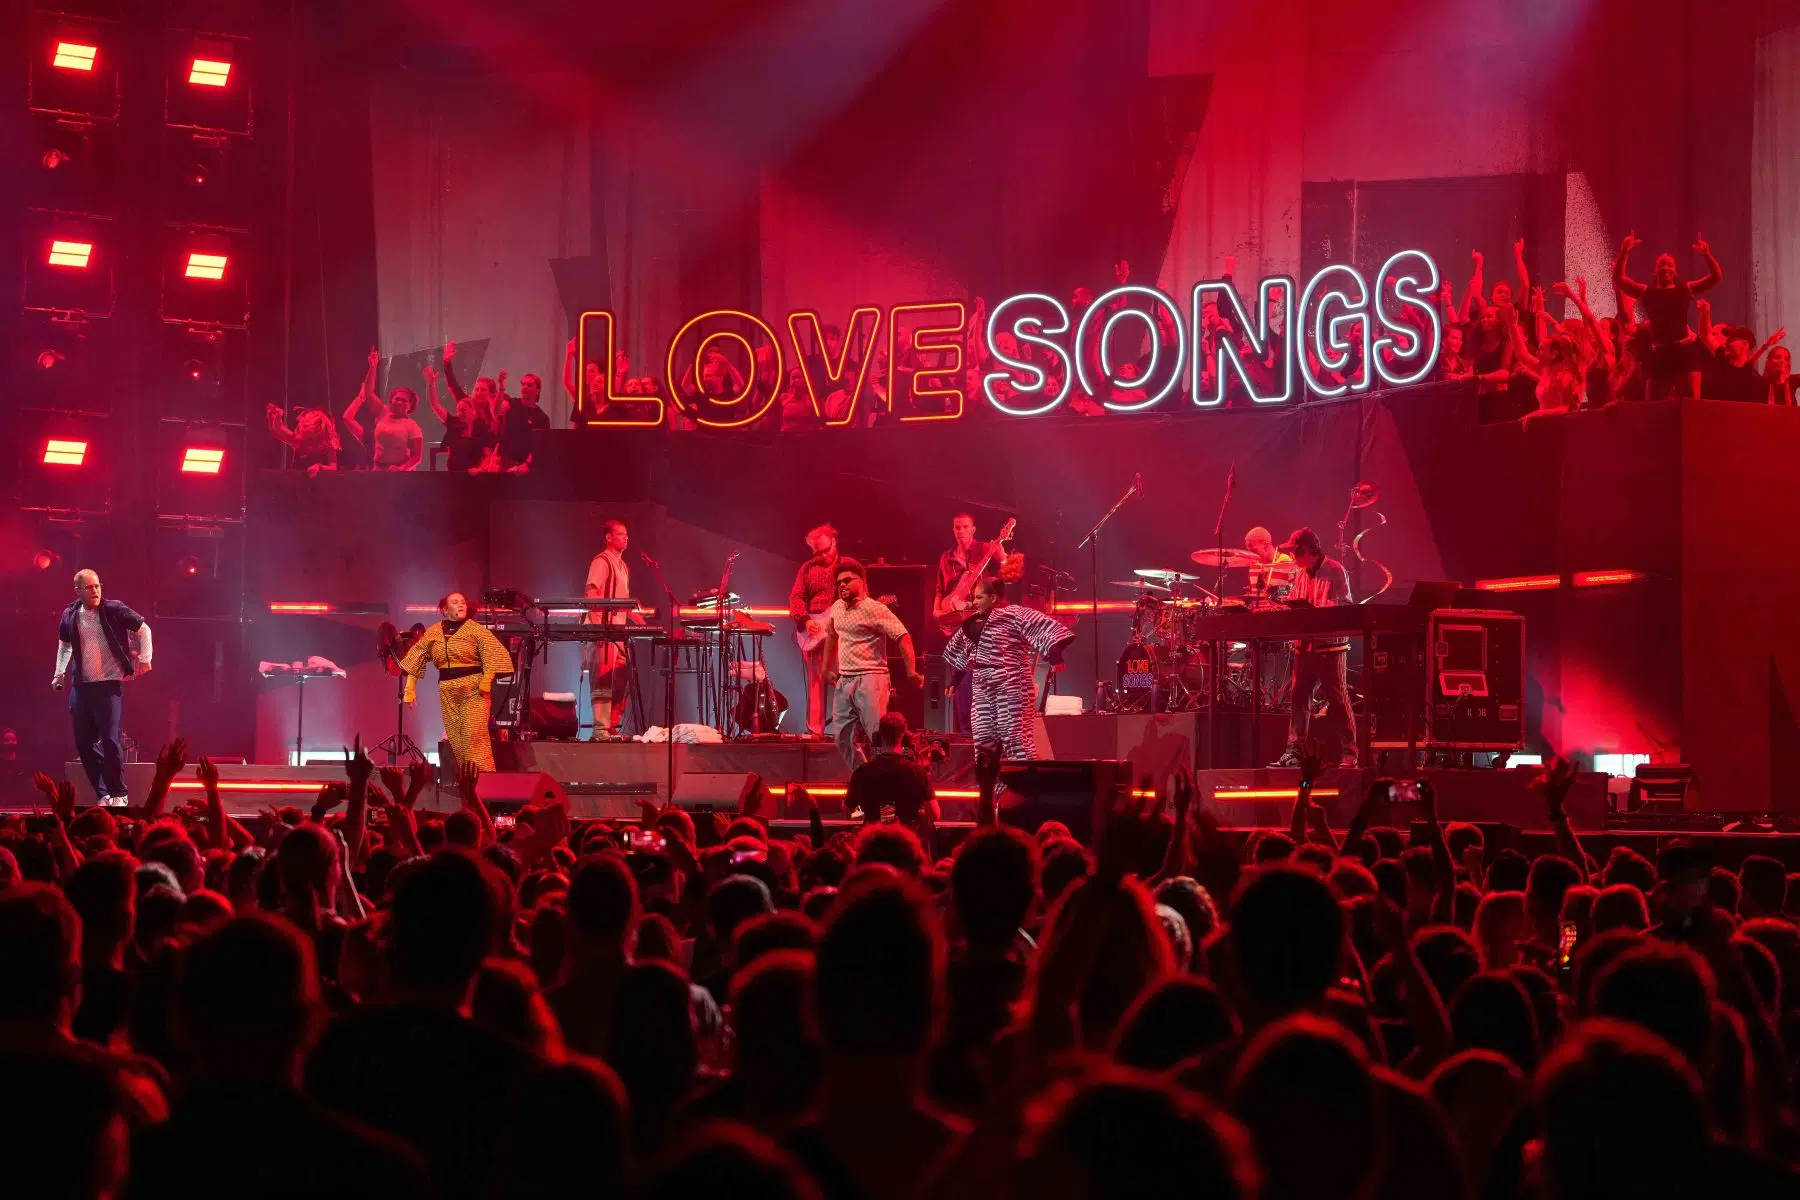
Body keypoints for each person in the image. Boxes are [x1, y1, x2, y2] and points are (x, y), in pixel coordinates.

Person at [941, 555, 1074, 764]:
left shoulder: (1014, 615)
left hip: (1011, 683)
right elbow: (965, 653)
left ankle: (1022, 782)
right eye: (974, 598)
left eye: (979, 598)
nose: (974, 602)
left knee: (1015, 739)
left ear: (993, 598)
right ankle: (989, 783)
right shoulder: (972, 623)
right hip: (982, 685)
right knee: (984, 739)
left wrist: (1055, 656)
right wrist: (955, 680)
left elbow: (1045, 628)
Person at [52, 569, 151, 806]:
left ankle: (119, 793)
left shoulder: (114, 609)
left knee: (110, 740)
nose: (95, 591)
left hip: (108, 685)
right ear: (78, 591)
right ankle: (103, 794)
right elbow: (65, 646)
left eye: (97, 586)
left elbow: (143, 629)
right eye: (89, 587)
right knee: (84, 743)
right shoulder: (70, 614)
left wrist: (145, 658)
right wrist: (59, 674)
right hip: (82, 687)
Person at [822, 558, 924, 768]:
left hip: (871, 678)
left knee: (878, 737)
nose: (842, 585)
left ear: (861, 581)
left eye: (847, 580)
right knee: (842, 739)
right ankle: (865, 778)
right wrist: (825, 668)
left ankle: (889, 775)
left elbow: (903, 636)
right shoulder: (837, 607)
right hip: (844, 679)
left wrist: (911, 671)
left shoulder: (875, 609)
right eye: (839, 582)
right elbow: (831, 635)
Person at [398, 592, 514, 773]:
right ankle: (469, 783)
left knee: (473, 738)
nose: (461, 605)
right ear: (445, 610)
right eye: (455, 602)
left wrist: (487, 679)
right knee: (457, 741)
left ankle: (485, 783)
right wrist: (409, 689)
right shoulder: (434, 631)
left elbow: (493, 652)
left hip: (473, 689)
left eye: (463, 602)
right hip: (447, 691)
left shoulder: (475, 630)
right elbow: (418, 655)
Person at [1271, 528, 1357, 768]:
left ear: (1306, 550)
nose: (1292, 556)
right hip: (1305, 646)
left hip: (1330, 648)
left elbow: (1346, 606)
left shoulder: (1335, 570)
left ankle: (1349, 752)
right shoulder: (1300, 574)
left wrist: (1320, 609)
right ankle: (1294, 751)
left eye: (1295, 551)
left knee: (1337, 698)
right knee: (1299, 698)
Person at [1613, 232, 1722, 402]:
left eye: (1669, 264)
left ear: (1674, 270)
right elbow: (1620, 279)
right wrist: (1624, 251)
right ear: (1655, 270)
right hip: (1660, 352)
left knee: (1692, 403)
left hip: (1685, 350)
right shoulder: (1647, 292)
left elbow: (1716, 277)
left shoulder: (1684, 289)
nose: (1665, 267)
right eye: (1661, 264)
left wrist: (1707, 254)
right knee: (1652, 404)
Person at [932, 514, 1009, 735]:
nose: (961, 531)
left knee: (979, 675)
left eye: (965, 527)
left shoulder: (984, 549)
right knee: (959, 680)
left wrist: (1003, 556)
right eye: (957, 527)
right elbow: (940, 589)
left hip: (979, 623)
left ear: (973, 529)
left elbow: (1008, 575)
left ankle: (985, 731)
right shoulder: (946, 557)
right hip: (954, 622)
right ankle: (965, 733)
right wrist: (936, 611)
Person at [586, 520, 646, 737]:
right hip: (604, 630)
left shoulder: (623, 567)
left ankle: (611, 725)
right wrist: (598, 629)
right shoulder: (602, 561)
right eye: (620, 534)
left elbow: (623, 602)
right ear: (609, 537)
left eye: (626, 534)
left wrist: (640, 621)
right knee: (603, 679)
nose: (625, 538)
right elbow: (592, 594)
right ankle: (600, 729)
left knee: (621, 679)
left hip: (618, 632)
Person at [788, 524, 841, 738]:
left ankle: (844, 731)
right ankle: (815, 731)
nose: (822, 556)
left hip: (840, 633)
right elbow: (796, 597)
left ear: (834, 542)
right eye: (817, 553)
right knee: (816, 683)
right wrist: (805, 620)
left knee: (843, 681)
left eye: (826, 550)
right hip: (814, 632)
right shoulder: (807, 569)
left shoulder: (847, 566)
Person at [341, 347, 425, 471]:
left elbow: (416, 456)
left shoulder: (412, 426)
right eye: (397, 399)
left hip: (400, 472)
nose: (399, 402)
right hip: (379, 470)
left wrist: (402, 469)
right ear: (391, 401)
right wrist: (373, 367)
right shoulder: (383, 413)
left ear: (410, 406)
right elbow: (368, 393)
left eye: (404, 401)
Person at [846, 712, 936, 828]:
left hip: (872, 837)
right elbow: (935, 814)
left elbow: (848, 811)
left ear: (878, 736)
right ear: (905, 738)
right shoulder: (917, 773)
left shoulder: (862, 772)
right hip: (905, 838)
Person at [427, 341, 501, 472]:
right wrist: (446, 363)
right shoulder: (466, 404)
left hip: (487, 461)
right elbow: (452, 386)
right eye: (476, 389)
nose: (478, 393)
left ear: (491, 394)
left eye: (482, 390)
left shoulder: (493, 412)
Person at [265, 403, 340, 476]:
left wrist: (320, 467)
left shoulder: (328, 444)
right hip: (297, 481)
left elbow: (333, 467)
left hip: (320, 482)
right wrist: (277, 415)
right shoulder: (299, 439)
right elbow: (279, 429)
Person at [497, 372, 550, 472]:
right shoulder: (511, 403)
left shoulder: (542, 418)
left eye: (529, 385)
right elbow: (498, 410)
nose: (524, 387)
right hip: (504, 463)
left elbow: (540, 446)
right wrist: (501, 387)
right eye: (523, 384)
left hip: (525, 467)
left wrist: (526, 465)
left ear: (537, 391)